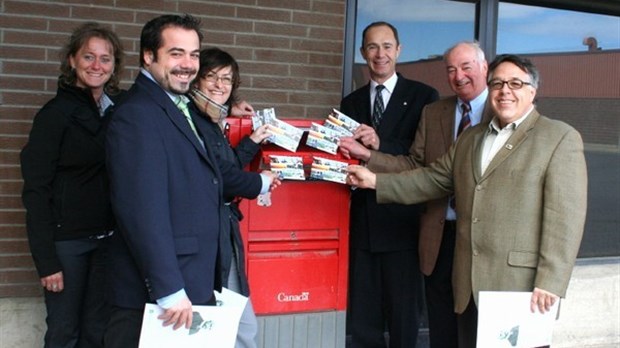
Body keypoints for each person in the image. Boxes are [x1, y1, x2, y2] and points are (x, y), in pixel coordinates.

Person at [346, 54, 587, 348]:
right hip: (467, 284)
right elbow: (432, 179)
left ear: (532, 91)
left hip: (519, 287)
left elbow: (564, 219)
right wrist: (374, 181)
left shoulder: (559, 138)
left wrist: (550, 281)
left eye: (515, 83)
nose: (504, 91)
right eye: (497, 83)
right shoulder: (471, 137)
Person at [104, 14, 279, 347]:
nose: (187, 64)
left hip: (191, 279)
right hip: (161, 292)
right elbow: (141, 211)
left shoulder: (177, 105)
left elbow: (211, 172)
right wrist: (169, 289)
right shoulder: (138, 114)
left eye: (194, 55)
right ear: (148, 56)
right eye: (176, 53)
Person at [342, 41, 491, 348]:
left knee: (480, 328)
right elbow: (415, 165)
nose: (458, 76)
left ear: (484, 68)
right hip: (439, 235)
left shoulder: (501, 110)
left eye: (466, 67)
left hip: (484, 241)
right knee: (441, 327)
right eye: (451, 69)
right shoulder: (435, 111)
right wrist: (367, 156)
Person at [20, 22, 124, 348]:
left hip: (107, 241)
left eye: (105, 59)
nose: (97, 66)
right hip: (68, 245)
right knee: (65, 332)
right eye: (88, 57)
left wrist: (226, 108)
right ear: (72, 61)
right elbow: (36, 190)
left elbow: (168, 104)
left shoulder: (118, 111)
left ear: (114, 66)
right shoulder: (54, 115)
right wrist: (46, 261)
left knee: (97, 330)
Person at [338, 21, 439, 348]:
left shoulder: (424, 97)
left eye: (386, 47)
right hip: (363, 224)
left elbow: (424, 158)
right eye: (371, 47)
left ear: (399, 50)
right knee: (364, 317)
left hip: (404, 223)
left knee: (403, 316)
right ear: (362, 53)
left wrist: (379, 143)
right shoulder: (350, 102)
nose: (379, 54)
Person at [189, 47, 271, 348]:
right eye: (211, 77)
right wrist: (260, 182)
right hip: (208, 236)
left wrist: (251, 140)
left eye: (227, 79)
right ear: (195, 80)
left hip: (222, 233)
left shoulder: (210, 120)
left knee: (239, 323)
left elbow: (226, 166)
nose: (220, 85)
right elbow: (219, 176)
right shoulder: (194, 122)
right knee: (237, 325)